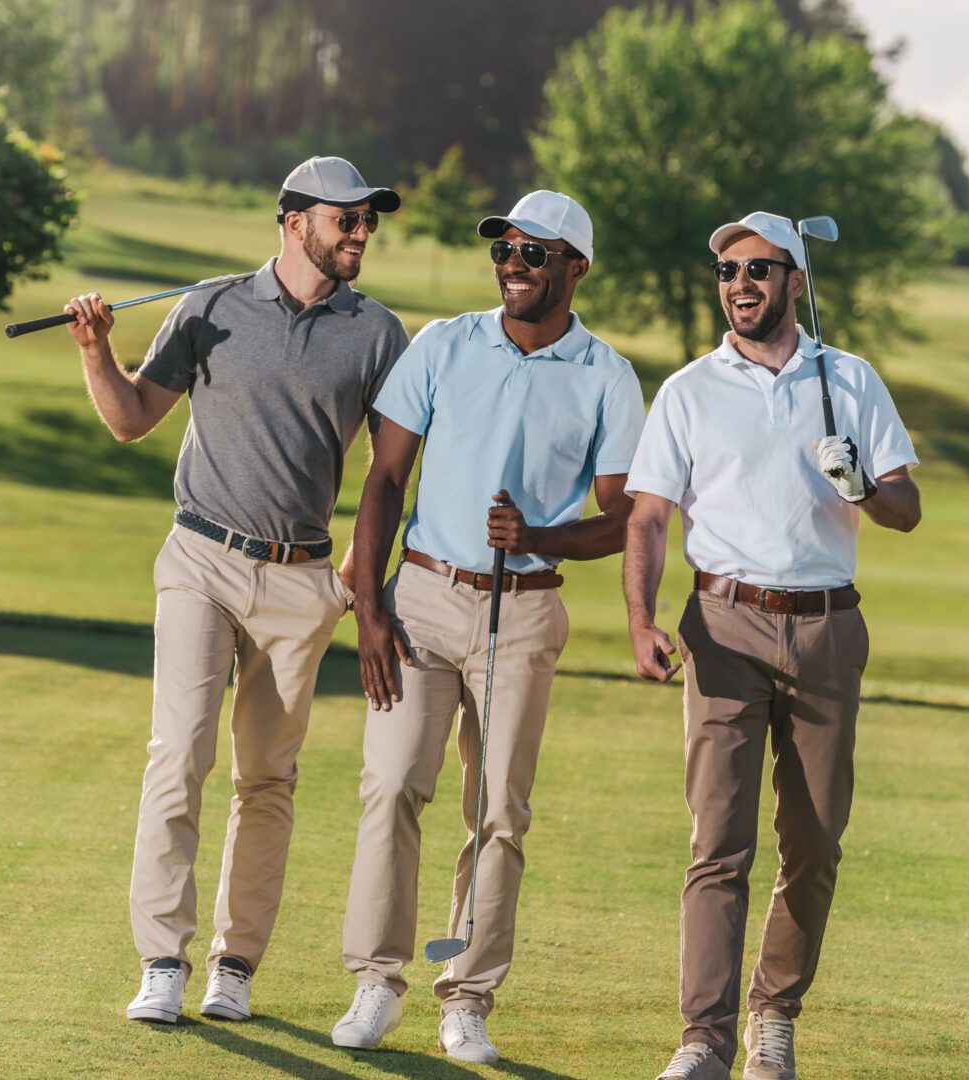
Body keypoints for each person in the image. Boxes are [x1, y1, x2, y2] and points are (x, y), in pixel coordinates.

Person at [62, 156, 410, 1026]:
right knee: (178, 752)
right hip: (202, 560)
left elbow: (390, 473)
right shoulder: (208, 308)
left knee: (268, 777)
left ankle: (236, 966)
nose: (362, 235)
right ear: (295, 221)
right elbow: (130, 418)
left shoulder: (377, 333)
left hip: (302, 582)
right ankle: (161, 961)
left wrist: (364, 589)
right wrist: (97, 351)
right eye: (348, 221)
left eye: (369, 223)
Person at [329, 191, 645, 1064]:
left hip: (528, 607)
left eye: (535, 253)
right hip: (423, 597)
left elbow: (622, 520)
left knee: (497, 811)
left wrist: (538, 535)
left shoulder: (608, 376)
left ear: (575, 268)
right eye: (505, 247)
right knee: (391, 786)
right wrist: (370, 610)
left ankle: (466, 995)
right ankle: (376, 981)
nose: (514, 262)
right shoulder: (444, 345)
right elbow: (386, 479)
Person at [622, 211, 921, 1080]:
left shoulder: (851, 380)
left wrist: (860, 483)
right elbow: (648, 515)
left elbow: (905, 509)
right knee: (720, 842)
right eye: (727, 273)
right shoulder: (687, 390)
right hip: (722, 624)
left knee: (817, 842)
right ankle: (704, 1040)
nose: (740, 285)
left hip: (828, 626)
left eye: (758, 269)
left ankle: (774, 1013)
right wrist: (641, 620)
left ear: (796, 281)